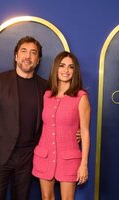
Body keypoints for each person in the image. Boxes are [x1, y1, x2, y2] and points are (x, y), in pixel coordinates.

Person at [0, 36, 47, 200]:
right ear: (16, 56)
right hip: (1, 155)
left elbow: (54, 116)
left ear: (38, 60)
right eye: (23, 51)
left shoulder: (45, 86)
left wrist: (75, 131)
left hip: (28, 156)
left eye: (33, 53)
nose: (28, 56)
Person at [32, 51, 90, 200]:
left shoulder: (81, 97)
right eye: (62, 66)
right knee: (46, 197)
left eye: (71, 67)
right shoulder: (46, 95)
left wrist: (84, 164)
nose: (66, 70)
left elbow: (84, 133)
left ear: (75, 71)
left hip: (69, 159)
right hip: (44, 156)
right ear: (55, 68)